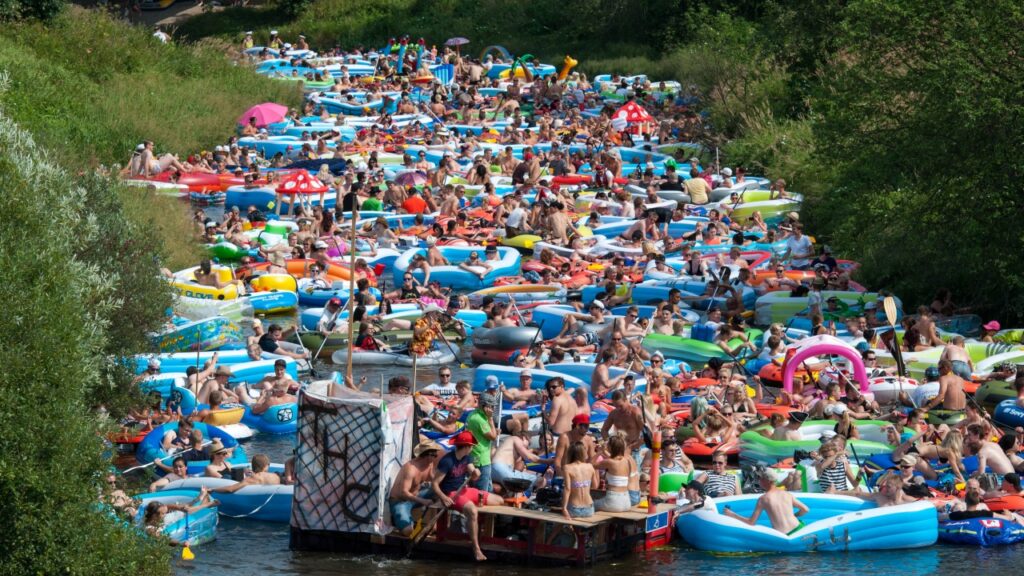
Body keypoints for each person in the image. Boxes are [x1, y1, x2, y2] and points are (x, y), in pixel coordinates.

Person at [431, 431, 504, 561]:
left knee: (499, 500)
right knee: (472, 511)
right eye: (471, 446)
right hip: (451, 493)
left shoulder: (467, 457)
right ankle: (476, 549)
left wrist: (475, 473)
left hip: (464, 490)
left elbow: (472, 471)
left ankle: (477, 529)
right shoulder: (447, 461)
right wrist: (443, 497)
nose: (472, 448)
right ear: (465, 446)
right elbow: (435, 484)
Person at [722, 468, 809, 534]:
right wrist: (794, 516)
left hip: (784, 535)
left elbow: (751, 522)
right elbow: (805, 509)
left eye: (761, 478)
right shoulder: (787, 494)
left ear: (767, 481)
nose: (759, 481)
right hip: (799, 529)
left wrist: (732, 514)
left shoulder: (763, 499)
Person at [388, 441, 441, 536]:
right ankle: (398, 518)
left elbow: (434, 481)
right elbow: (404, 492)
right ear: (427, 454)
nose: (436, 456)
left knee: (440, 491)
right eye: (435, 454)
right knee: (408, 531)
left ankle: (434, 524)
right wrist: (423, 501)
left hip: (415, 498)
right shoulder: (411, 469)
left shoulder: (429, 464)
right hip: (400, 501)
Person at [142, 487, 219, 546]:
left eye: (164, 513)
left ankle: (201, 499)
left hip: (173, 519)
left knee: (186, 510)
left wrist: (178, 508)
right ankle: (205, 501)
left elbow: (167, 507)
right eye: (163, 514)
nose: (164, 515)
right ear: (154, 515)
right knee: (186, 511)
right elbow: (164, 538)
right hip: (173, 522)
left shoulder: (161, 517)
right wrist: (181, 544)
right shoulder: (150, 529)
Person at [600, 390, 645, 466]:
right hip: (618, 449)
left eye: (620, 406)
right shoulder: (614, 413)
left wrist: (632, 447)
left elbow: (646, 434)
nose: (618, 409)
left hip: (633, 449)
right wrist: (609, 443)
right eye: (615, 406)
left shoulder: (635, 413)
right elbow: (604, 430)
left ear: (626, 400)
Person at [467, 391, 500, 492]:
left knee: (488, 489)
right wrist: (490, 420)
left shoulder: (473, 414)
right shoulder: (480, 420)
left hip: (475, 455)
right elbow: (493, 437)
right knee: (483, 492)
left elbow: (488, 433)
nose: (493, 409)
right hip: (482, 460)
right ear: (485, 406)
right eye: (492, 406)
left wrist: (493, 430)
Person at [594, 435, 636, 512]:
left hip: (614, 501)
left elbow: (592, 465)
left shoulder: (609, 462)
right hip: (626, 501)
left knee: (591, 505)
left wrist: (598, 452)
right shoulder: (626, 460)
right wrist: (604, 452)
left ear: (611, 447)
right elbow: (614, 459)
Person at [561, 441, 598, 520]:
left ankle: (553, 533)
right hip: (589, 508)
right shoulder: (590, 466)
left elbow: (567, 489)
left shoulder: (567, 467)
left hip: (575, 508)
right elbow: (595, 486)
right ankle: (576, 532)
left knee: (559, 518)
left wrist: (564, 508)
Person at [211, 454, 281, 493]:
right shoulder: (274, 475)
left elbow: (230, 489)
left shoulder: (253, 478)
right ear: (266, 465)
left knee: (227, 476)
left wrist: (213, 489)